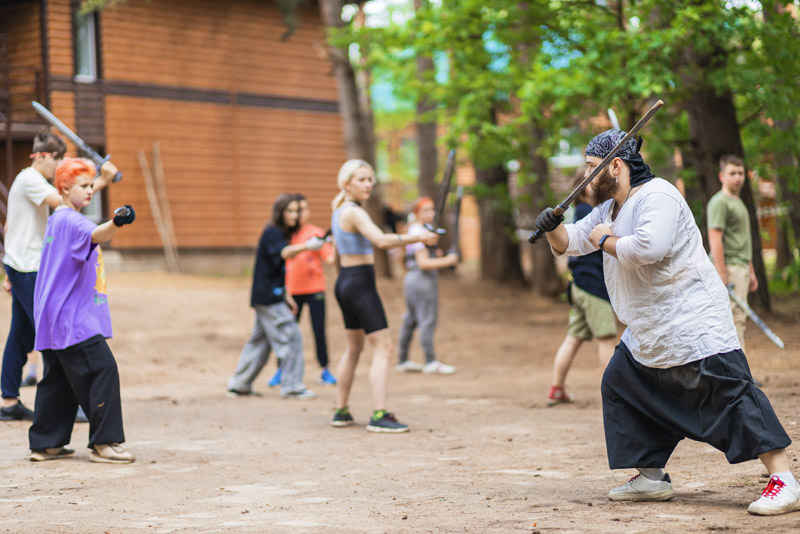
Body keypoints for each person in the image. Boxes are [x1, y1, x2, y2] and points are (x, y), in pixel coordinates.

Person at [535, 128, 799, 516]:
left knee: (733, 395)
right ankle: (652, 475)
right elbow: (572, 241)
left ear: (617, 166)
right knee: (621, 383)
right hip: (649, 329)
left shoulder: (658, 196)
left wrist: (606, 240)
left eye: (593, 169)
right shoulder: (610, 208)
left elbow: (648, 247)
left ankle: (784, 480)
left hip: (693, 323)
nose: (587, 178)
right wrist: (553, 227)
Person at [1, 129, 115, 422]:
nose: (60, 166)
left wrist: (7, 268)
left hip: (21, 263)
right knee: (50, 334)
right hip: (28, 266)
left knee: (21, 334)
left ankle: (9, 400)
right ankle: (65, 402)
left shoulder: (29, 180)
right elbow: (66, 201)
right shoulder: (30, 180)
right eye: (58, 159)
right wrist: (101, 180)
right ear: (43, 157)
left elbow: (12, 225)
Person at [29, 158, 135, 463]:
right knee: (102, 369)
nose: (91, 191)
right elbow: (98, 234)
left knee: (60, 379)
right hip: (71, 318)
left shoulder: (56, 219)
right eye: (85, 186)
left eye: (92, 185)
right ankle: (105, 442)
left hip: (52, 316)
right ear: (64, 187)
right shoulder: (74, 222)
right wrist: (118, 221)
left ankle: (46, 443)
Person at [329, 160, 438, 433]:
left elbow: (335, 258)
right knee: (384, 348)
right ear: (347, 183)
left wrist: (344, 281)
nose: (368, 184)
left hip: (345, 282)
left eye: (370, 180)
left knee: (354, 349)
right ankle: (379, 414)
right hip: (359, 283)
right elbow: (380, 240)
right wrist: (417, 239)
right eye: (362, 179)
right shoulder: (353, 212)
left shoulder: (338, 209)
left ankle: (341, 411)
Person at [227, 194, 323, 399]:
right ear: (280, 212)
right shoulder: (272, 232)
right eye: (290, 211)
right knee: (291, 336)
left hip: (269, 295)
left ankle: (240, 383)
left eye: (297, 211)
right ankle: (292, 386)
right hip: (268, 297)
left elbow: (277, 269)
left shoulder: (281, 234)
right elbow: (284, 253)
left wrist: (286, 295)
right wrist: (308, 245)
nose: (294, 215)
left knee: (260, 342)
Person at [547, 178, 616, 405]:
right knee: (606, 338)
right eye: (590, 181)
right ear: (580, 187)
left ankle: (556, 388)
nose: (596, 183)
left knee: (573, 338)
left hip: (579, 286)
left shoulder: (583, 210)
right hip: (592, 286)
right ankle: (614, 394)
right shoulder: (587, 210)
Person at [395, 197, 458, 375]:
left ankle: (403, 359)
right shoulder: (418, 231)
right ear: (416, 213)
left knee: (411, 319)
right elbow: (423, 263)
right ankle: (430, 361)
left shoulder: (419, 231)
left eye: (432, 210)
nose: (430, 213)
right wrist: (447, 260)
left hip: (412, 280)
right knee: (427, 319)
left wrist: (435, 253)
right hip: (422, 280)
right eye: (426, 210)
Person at [283, 193, 336, 386]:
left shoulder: (316, 232)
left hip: (315, 289)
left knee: (318, 329)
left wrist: (335, 244)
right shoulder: (286, 234)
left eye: (303, 209)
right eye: (297, 210)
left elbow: (330, 259)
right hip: (292, 291)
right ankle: (281, 369)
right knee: (287, 332)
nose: (300, 214)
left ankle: (324, 369)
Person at [707, 155, 757, 353]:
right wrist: (722, 273)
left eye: (740, 173)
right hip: (729, 267)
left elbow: (742, 240)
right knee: (734, 321)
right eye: (732, 173)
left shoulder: (738, 201)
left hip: (741, 266)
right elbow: (714, 238)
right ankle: (738, 378)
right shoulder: (719, 202)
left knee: (739, 320)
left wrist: (751, 270)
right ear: (722, 176)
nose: (737, 177)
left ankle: (739, 376)